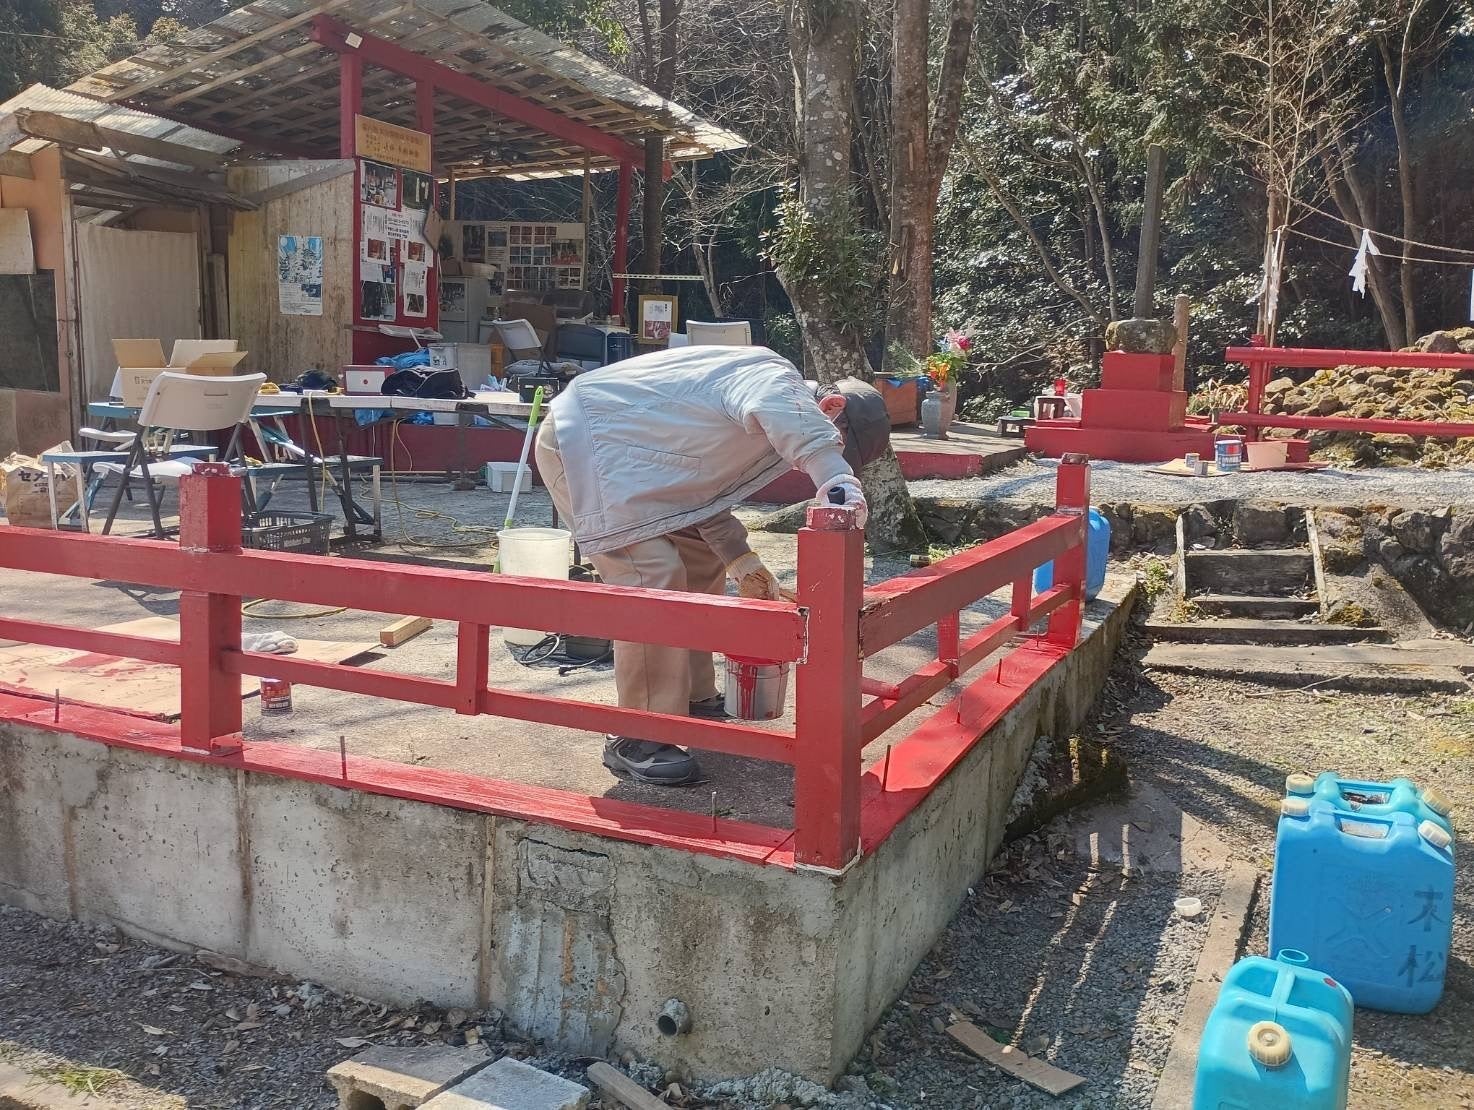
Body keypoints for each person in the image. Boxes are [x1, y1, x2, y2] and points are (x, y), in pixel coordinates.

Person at [534, 343, 889, 785]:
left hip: (627, 459)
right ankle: (640, 734)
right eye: (835, 444)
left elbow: (698, 491)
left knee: (701, 559)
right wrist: (835, 476)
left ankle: (690, 695)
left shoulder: (756, 414)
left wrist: (741, 560)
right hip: (582, 444)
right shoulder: (769, 376)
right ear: (829, 408)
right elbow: (787, 416)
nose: (815, 463)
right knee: (652, 573)